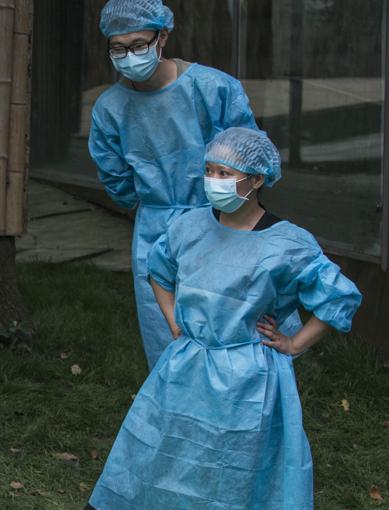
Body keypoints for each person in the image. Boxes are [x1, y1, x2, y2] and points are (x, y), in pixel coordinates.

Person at [8, 128, 362, 510]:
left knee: (255, 479)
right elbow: (159, 269)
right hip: (186, 369)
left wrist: (295, 343)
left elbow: (339, 296)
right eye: (210, 170)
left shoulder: (288, 243)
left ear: (255, 180)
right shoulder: (190, 225)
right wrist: (175, 321)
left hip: (249, 381)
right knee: (138, 457)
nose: (213, 180)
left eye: (225, 173)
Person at [89, 0, 284, 370]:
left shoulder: (213, 89)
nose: (129, 56)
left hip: (224, 222)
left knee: (239, 332)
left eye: (138, 45)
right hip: (157, 232)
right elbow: (116, 179)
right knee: (169, 339)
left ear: (162, 36)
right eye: (118, 48)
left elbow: (250, 154)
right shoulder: (109, 108)